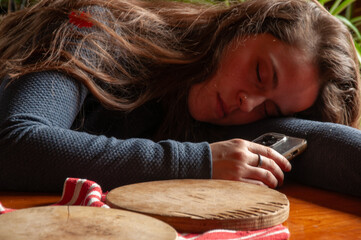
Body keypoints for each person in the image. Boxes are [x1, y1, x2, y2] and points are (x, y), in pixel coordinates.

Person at [0, 0, 359, 192]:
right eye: (260, 73)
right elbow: (17, 147)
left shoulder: (214, 115)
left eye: (270, 107)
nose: (246, 103)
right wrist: (199, 162)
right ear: (240, 28)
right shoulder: (95, 26)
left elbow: (319, 145)